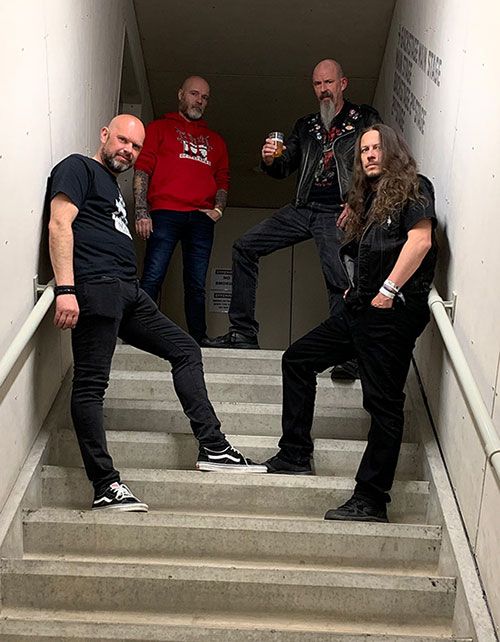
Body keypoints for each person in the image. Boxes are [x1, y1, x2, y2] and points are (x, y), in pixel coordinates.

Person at [47, 115, 264, 513]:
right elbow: (60, 224)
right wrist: (65, 289)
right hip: (96, 288)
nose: (127, 150)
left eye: (135, 146)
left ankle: (213, 446)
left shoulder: (111, 185)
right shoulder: (77, 167)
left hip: (128, 292)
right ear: (104, 135)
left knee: (186, 349)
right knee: (91, 386)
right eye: (122, 141)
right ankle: (105, 485)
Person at [262, 124, 437, 524]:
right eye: (363, 150)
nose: (370, 155)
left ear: (393, 151)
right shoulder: (368, 199)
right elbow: (364, 253)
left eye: (377, 148)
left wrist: (387, 291)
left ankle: (371, 500)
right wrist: (356, 289)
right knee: (298, 359)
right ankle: (294, 454)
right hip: (361, 308)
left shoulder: (414, 187)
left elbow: (421, 241)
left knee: (383, 405)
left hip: (392, 312)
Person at [203, 59, 381, 376]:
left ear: (342, 84)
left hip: (337, 210)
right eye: (317, 84)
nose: (323, 90)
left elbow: (379, 160)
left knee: (339, 279)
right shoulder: (306, 125)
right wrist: (270, 160)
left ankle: (349, 354)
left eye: (329, 83)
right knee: (244, 246)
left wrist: (359, 202)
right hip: (303, 208)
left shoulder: (364, 119)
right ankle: (243, 332)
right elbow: (285, 165)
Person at [133, 76, 229, 345]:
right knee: (153, 276)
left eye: (204, 97)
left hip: (201, 217)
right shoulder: (158, 128)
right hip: (165, 211)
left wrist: (218, 210)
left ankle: (198, 339)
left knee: (196, 284)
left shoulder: (216, 141)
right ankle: (138, 334)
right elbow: (142, 168)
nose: (199, 101)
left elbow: (223, 179)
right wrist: (141, 211)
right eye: (194, 94)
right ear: (180, 94)